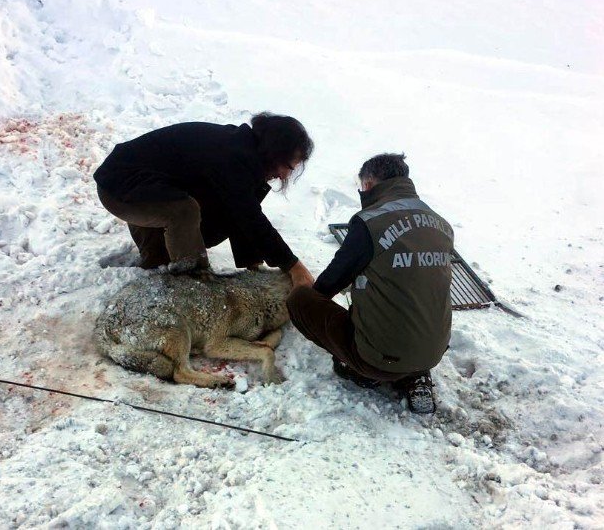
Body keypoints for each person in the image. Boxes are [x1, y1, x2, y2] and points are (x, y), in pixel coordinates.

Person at [286, 153, 453, 413]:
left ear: (369, 184)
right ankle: (416, 372)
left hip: (378, 358)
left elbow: (329, 284)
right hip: (434, 352)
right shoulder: (441, 224)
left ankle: (367, 371)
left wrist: (309, 297)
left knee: (301, 301)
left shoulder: (370, 222)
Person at [93, 112, 315, 287]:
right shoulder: (234, 157)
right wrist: (293, 266)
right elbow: (249, 217)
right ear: (273, 151)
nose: (286, 176)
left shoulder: (243, 150)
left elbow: (241, 210)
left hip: (148, 188)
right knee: (185, 211)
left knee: (211, 215)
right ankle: (193, 282)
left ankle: (157, 251)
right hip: (119, 187)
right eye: (288, 166)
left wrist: (253, 264)